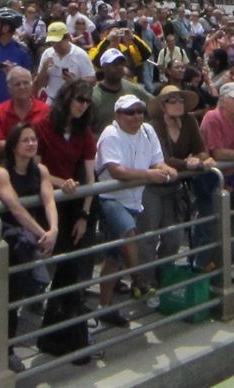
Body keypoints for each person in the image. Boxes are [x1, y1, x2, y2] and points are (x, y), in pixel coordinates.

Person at [93, 95, 176, 326]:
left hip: (134, 199)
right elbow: (116, 170)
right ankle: (139, 278)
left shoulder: (148, 131)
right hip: (110, 198)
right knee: (129, 232)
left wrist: (167, 169)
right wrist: (149, 175)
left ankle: (104, 306)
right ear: (118, 115)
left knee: (115, 257)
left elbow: (157, 161)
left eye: (139, 111)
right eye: (130, 112)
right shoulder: (111, 134)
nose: (136, 116)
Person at [31, 78, 97, 354]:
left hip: (74, 206)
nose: (83, 105)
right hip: (49, 202)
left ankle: (62, 334)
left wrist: (85, 213)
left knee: (73, 269)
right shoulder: (42, 128)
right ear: (67, 100)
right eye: (79, 99)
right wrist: (61, 183)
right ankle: (62, 335)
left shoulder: (85, 133)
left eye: (87, 101)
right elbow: (36, 168)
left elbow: (90, 175)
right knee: (64, 269)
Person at [0, 122, 58, 370]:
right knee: (0, 299)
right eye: (25, 140)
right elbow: (16, 208)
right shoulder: (1, 172)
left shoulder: (40, 170)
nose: (31, 144)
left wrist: (54, 229)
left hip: (28, 241)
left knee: (16, 297)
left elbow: (49, 199)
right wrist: (43, 234)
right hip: (4, 241)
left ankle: (7, 350)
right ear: (13, 145)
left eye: (33, 139)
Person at [141, 84, 216, 287]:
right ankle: (144, 282)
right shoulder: (154, 126)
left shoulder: (189, 121)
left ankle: (163, 277)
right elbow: (163, 159)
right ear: (163, 106)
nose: (178, 104)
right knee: (149, 237)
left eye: (180, 100)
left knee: (173, 238)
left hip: (175, 186)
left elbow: (201, 150)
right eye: (172, 100)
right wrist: (189, 163)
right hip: (153, 187)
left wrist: (199, 160)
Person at [198, 82, 234, 278]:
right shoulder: (212, 117)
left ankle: (228, 267)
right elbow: (218, 152)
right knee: (209, 225)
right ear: (223, 101)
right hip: (209, 177)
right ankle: (204, 269)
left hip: (231, 176)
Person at [0, 66, 49, 159]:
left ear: (32, 86)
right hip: (7, 163)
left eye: (26, 83)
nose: (22, 87)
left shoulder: (46, 110)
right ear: (9, 89)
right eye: (17, 84)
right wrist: (23, 145)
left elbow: (50, 143)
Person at [89, 49, 152, 134]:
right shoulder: (94, 96)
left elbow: (154, 103)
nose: (119, 67)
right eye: (114, 64)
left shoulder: (132, 88)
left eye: (121, 63)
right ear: (104, 67)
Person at [33, 21, 95, 103]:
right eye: (52, 42)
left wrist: (75, 81)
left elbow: (92, 80)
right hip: (51, 100)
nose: (54, 45)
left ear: (67, 38)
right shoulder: (47, 53)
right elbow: (39, 84)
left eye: (58, 42)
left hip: (71, 102)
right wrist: (44, 69)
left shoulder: (80, 55)